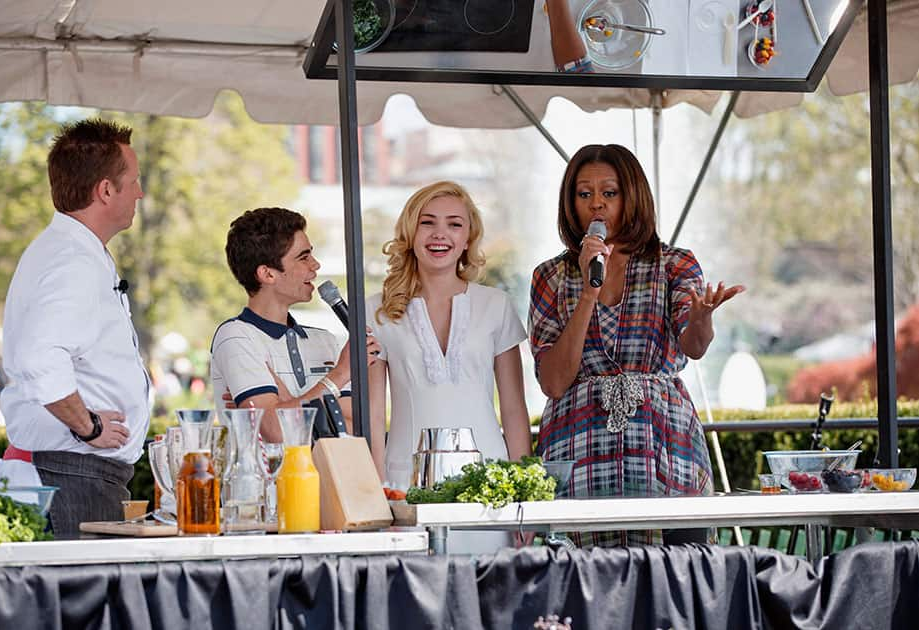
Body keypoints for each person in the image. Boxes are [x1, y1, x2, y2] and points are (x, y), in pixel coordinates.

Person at [529, 144, 743, 547]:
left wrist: (702, 317)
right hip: (578, 446)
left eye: (609, 193)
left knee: (677, 578)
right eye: (584, 193)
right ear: (569, 203)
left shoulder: (674, 264)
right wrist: (588, 293)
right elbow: (554, 382)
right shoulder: (551, 276)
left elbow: (694, 347)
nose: (596, 205)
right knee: (585, 587)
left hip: (665, 441)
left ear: (633, 196)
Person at [0, 118, 150, 538]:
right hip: (70, 474)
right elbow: (40, 358)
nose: (140, 192)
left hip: (73, 471)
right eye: (134, 181)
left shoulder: (72, 251)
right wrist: (89, 427)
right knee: (81, 603)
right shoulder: (73, 261)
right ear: (105, 190)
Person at [366, 181, 533, 535]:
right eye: (428, 222)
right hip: (405, 485)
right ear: (410, 232)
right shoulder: (376, 311)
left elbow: (515, 410)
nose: (440, 234)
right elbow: (373, 413)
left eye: (454, 224)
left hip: (491, 489)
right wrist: (376, 492)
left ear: (469, 237)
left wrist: (523, 502)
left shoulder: (495, 305)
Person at [211, 207, 380, 440]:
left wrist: (286, 402)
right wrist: (339, 374)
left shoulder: (326, 341)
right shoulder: (235, 337)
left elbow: (352, 432)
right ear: (268, 274)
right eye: (303, 257)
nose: (316, 265)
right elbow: (275, 430)